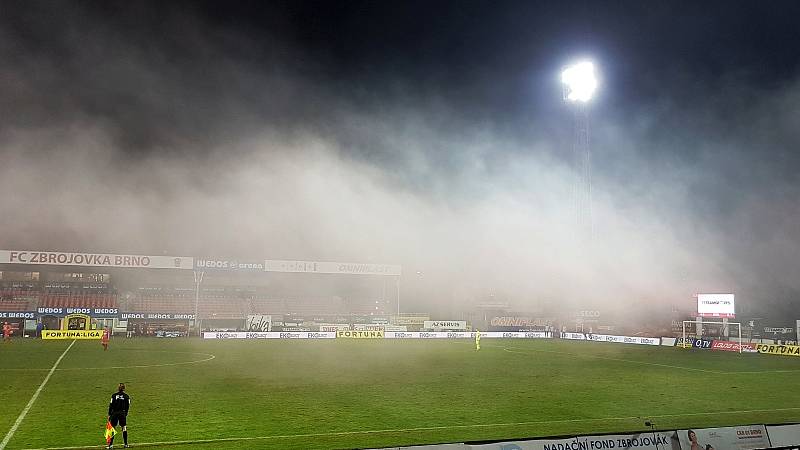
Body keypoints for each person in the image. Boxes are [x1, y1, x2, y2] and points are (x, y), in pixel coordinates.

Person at [107, 383, 131, 448]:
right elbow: (127, 406)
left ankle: (110, 445)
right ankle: (126, 444)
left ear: (118, 388)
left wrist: (109, 414)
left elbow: (111, 405)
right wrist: (125, 413)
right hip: (122, 413)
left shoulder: (114, 396)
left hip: (114, 413)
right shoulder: (126, 396)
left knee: (113, 428)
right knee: (124, 427)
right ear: (124, 388)